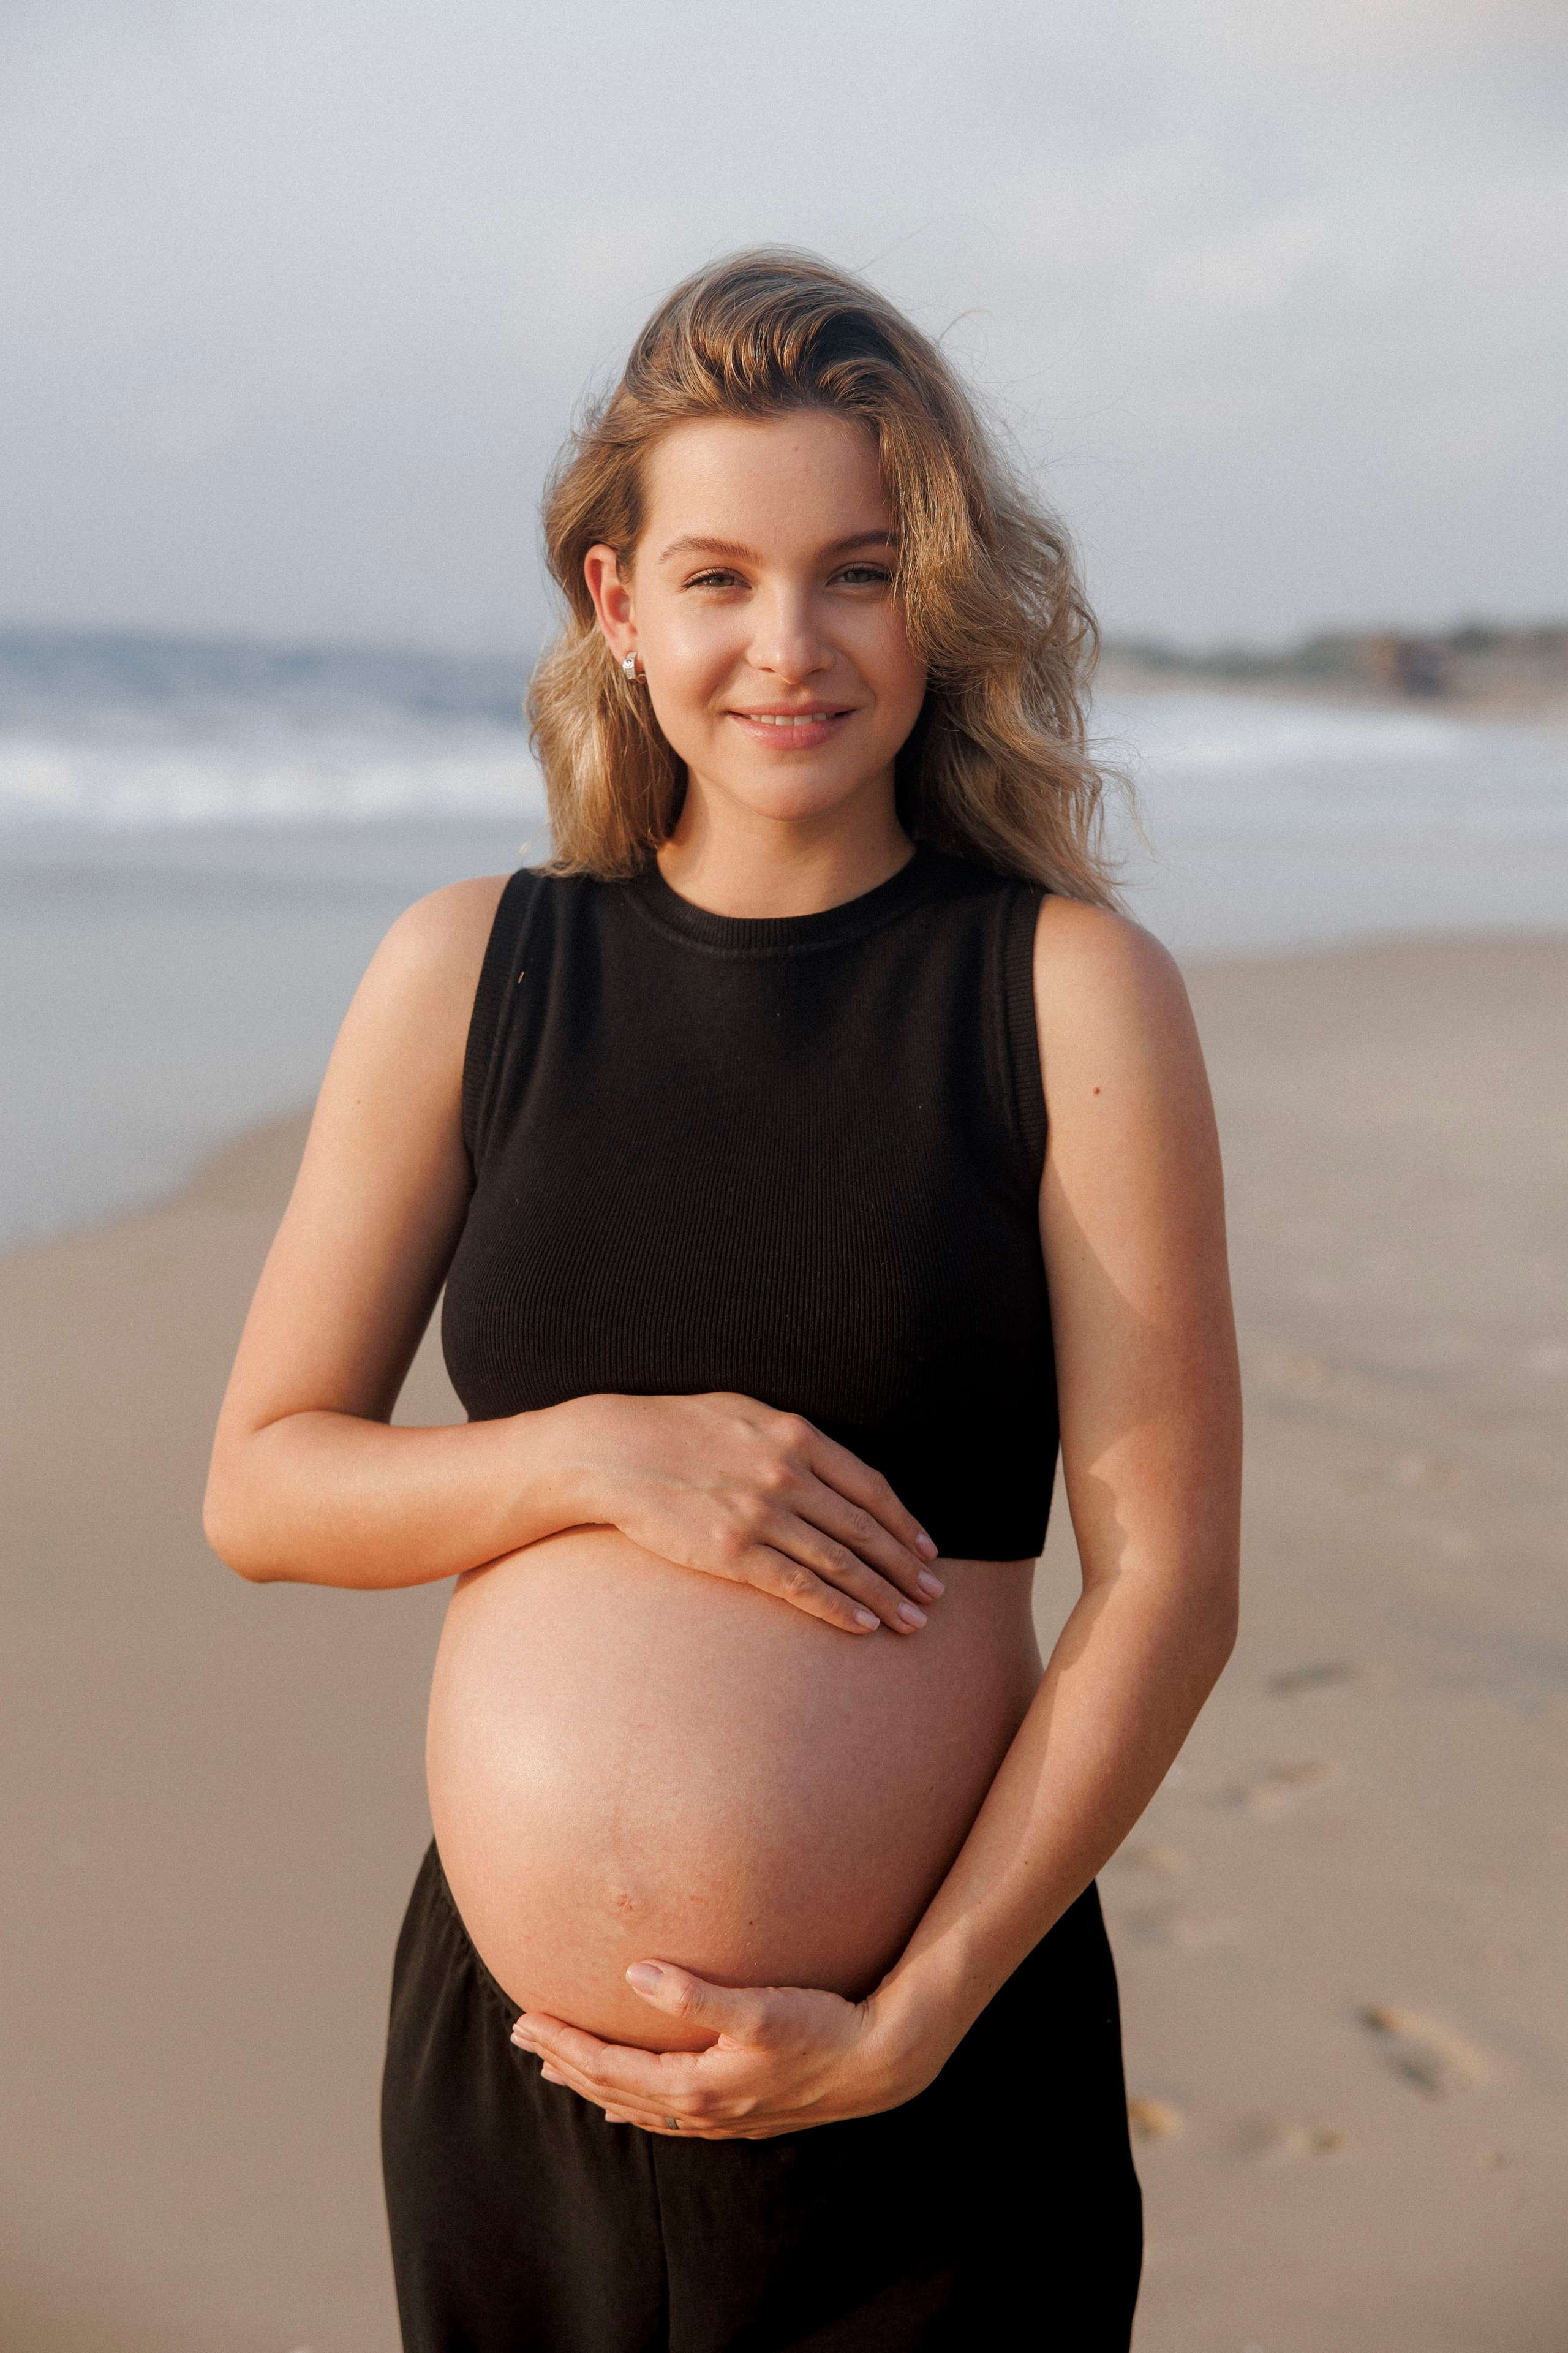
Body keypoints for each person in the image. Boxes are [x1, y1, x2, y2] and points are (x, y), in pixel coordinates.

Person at [205, 249, 1242, 2352]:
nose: (789, 646)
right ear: (617, 606)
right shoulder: (470, 972)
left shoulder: (1062, 993)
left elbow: (1171, 1581)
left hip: (932, 2079)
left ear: (934, 599)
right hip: (518, 2089)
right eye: (718, 578)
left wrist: (916, 2016)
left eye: (857, 573)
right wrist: (602, 1457)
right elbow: (265, 1485)